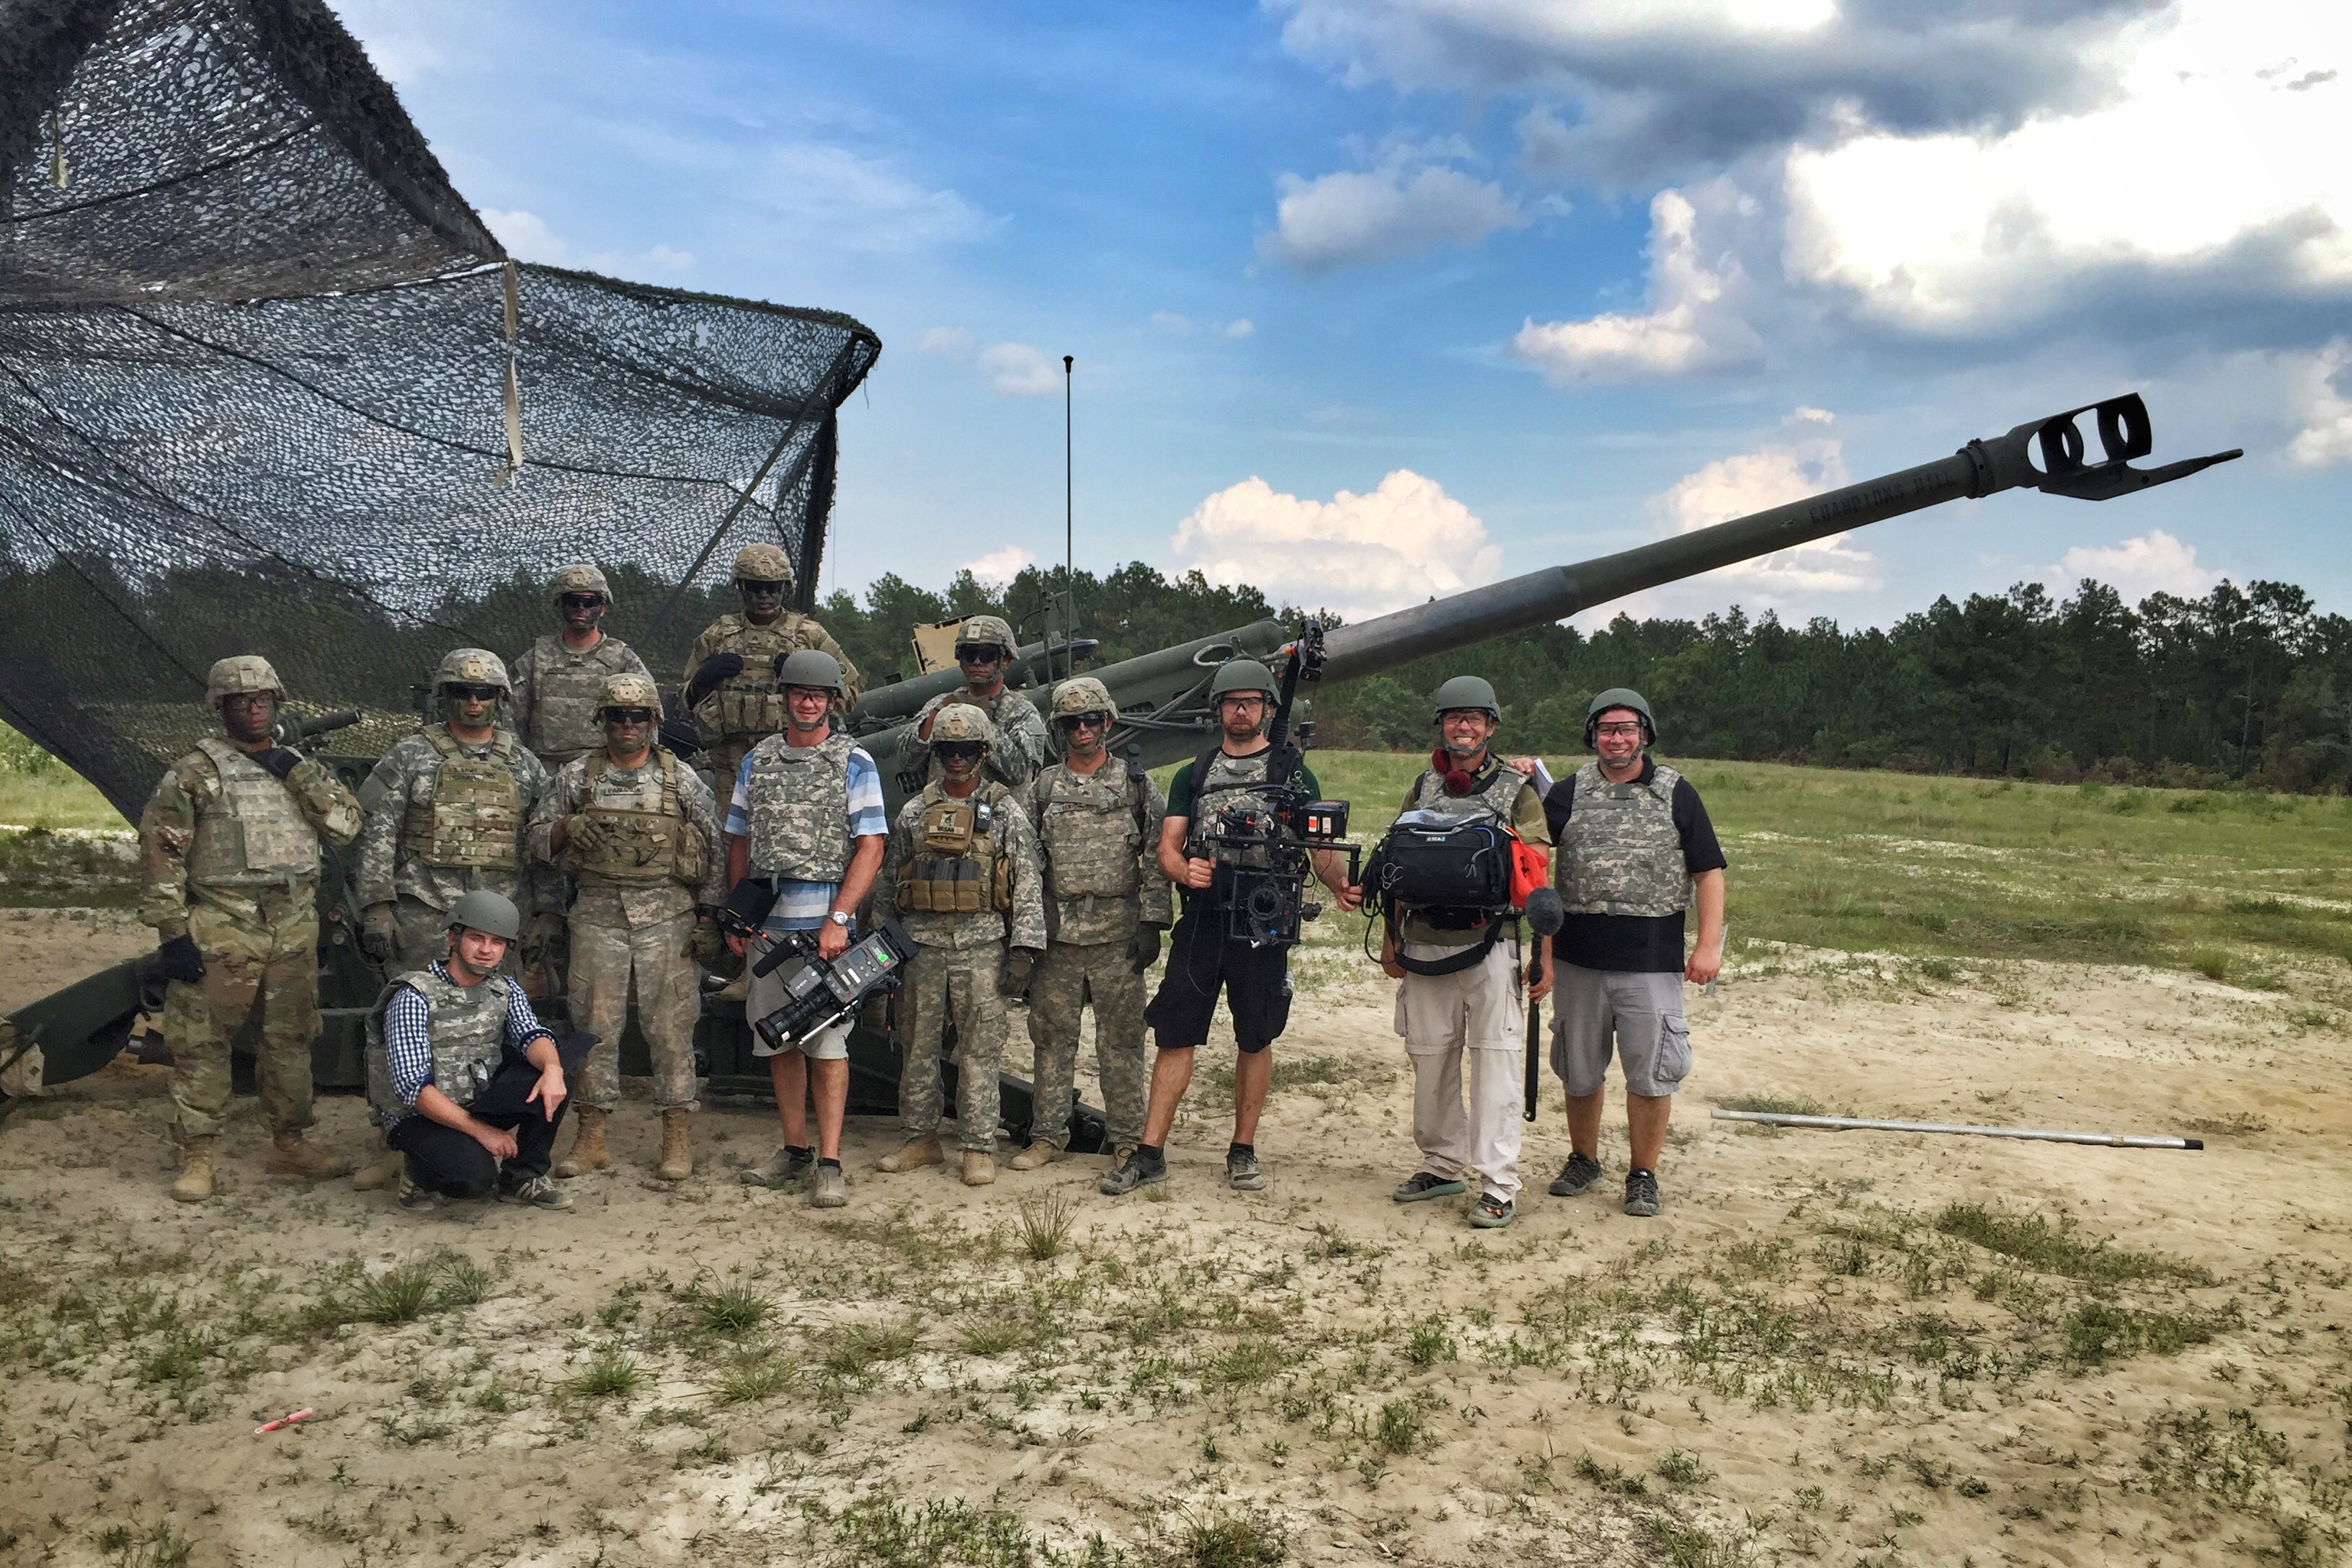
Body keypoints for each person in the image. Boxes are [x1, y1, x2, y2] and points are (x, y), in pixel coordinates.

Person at [1102, 659, 1360, 1197]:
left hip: (1263, 918)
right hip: (1203, 915)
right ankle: (1149, 1151)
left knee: (1256, 1033)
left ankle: (1243, 1148)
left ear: (1267, 708)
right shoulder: (1193, 774)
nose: (1240, 711)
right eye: (1230, 702)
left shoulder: (1293, 773)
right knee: (1176, 1032)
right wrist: (1182, 869)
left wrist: (1339, 884)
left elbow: (1320, 847)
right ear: (1218, 709)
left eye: (1251, 701)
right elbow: (1167, 849)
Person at [138, 656, 364, 1202]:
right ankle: (199, 1152)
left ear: (277, 703)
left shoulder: (297, 767)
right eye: (240, 701)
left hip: (292, 923)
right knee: (202, 1041)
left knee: (290, 1039)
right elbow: (161, 852)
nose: (254, 707)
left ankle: (289, 1141)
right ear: (222, 708)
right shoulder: (197, 771)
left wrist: (296, 770)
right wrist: (172, 933)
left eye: (262, 698)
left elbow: (346, 825)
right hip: (224, 921)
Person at [530, 673, 727, 1182]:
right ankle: (591, 1136)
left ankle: (676, 1134)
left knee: (670, 1028)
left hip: (667, 917)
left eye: (639, 715)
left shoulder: (680, 779)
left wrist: (709, 915)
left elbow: (715, 848)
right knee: (594, 1029)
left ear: (654, 721)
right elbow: (533, 841)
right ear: (603, 720)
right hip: (598, 914)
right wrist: (565, 828)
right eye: (617, 716)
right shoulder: (577, 777)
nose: (627, 725)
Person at [1540, 688, 1727, 1219]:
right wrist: (1544, 953)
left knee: (1651, 1073)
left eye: (1626, 729)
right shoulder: (1569, 792)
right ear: (1592, 736)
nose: (1616, 739)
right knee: (1579, 1069)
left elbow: (1708, 872)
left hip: (1651, 958)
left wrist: (1708, 945)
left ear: (1644, 735)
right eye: (1606, 730)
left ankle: (1643, 1174)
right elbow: (1532, 859)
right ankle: (1583, 1159)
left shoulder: (1675, 792)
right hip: (1579, 958)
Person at [1376, 676, 1551, 1229]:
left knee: (1496, 1062)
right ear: (1442, 726)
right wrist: (1391, 937)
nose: (1464, 727)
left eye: (1474, 718)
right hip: (1425, 942)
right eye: (1454, 718)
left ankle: (1499, 1184)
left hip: (1491, 944)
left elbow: (1540, 876)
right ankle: (1441, 1161)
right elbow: (1396, 867)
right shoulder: (1423, 788)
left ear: (1491, 726)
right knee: (1429, 1058)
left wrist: (1543, 955)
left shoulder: (1517, 791)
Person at [725, 651, 888, 1208]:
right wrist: (740, 915)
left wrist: (840, 918)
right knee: (779, 1039)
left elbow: (871, 845)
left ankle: (831, 1160)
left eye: (818, 695)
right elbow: (740, 840)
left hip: (826, 925)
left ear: (832, 701)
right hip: (770, 925)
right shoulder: (758, 761)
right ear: (786, 697)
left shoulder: (854, 762)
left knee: (829, 1043)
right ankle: (794, 1148)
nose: (808, 702)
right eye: (799, 692)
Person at [872, 703, 1047, 1186]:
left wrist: (1024, 951)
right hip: (923, 948)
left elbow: (1027, 881)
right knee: (918, 1048)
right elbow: (890, 883)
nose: (955, 758)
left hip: (982, 948)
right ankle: (920, 1139)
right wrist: (885, 949)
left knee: (979, 1052)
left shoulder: (1005, 809)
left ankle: (977, 1145)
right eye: (947, 749)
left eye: (965, 749)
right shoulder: (914, 811)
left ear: (982, 752)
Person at [1011, 676, 1170, 1170]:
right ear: (1059, 729)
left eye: (1091, 720)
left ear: (1109, 722)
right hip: (1059, 936)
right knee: (1051, 1040)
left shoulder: (1138, 787)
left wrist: (1153, 922)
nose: (1082, 729)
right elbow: (1024, 865)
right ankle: (1048, 1136)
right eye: (1071, 722)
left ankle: (1126, 1138)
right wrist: (1028, 935)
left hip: (1117, 936)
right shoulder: (1042, 788)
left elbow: (1156, 856)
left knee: (1122, 1043)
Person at [366, 890, 586, 1211]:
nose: (486, 950)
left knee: (560, 1061)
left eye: (496, 942)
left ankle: (523, 1176)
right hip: (419, 1116)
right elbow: (413, 1089)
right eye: (476, 938)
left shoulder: (504, 989)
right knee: (473, 1183)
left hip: (475, 1098)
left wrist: (553, 1070)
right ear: (452, 939)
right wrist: (482, 1133)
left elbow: (531, 1034)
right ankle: (418, 1172)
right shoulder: (414, 997)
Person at [355, 649, 548, 971]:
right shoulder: (410, 755)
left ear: (499, 698)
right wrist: (377, 906)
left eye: (484, 694)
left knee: (495, 1011)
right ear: (445, 696)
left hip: (501, 915)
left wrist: (549, 911)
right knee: (417, 1005)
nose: (474, 702)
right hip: (426, 910)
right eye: (462, 692)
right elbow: (379, 830)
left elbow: (542, 840)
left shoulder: (525, 764)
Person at [680, 543, 863, 787]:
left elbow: (849, 694)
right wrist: (702, 681)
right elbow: (683, 702)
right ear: (742, 587)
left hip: (796, 761)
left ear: (784, 588)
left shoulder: (809, 636)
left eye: (772, 588)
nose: (764, 596)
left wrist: (806, 677)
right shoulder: (718, 636)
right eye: (756, 587)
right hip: (730, 766)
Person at [507, 563, 656, 772]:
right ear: (560, 605)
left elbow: (649, 719)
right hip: (544, 771)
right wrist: (524, 769)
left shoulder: (623, 660)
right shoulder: (534, 659)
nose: (581, 609)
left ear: (602, 608)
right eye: (572, 601)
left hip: (606, 771)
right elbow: (509, 718)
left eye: (589, 602)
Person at [894, 615, 1052, 791]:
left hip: (1000, 815)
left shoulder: (1021, 712)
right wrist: (936, 717)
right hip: (944, 813)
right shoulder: (941, 704)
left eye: (986, 655)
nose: (977, 662)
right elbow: (906, 761)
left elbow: (1020, 773)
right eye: (970, 655)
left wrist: (981, 722)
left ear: (1005, 661)